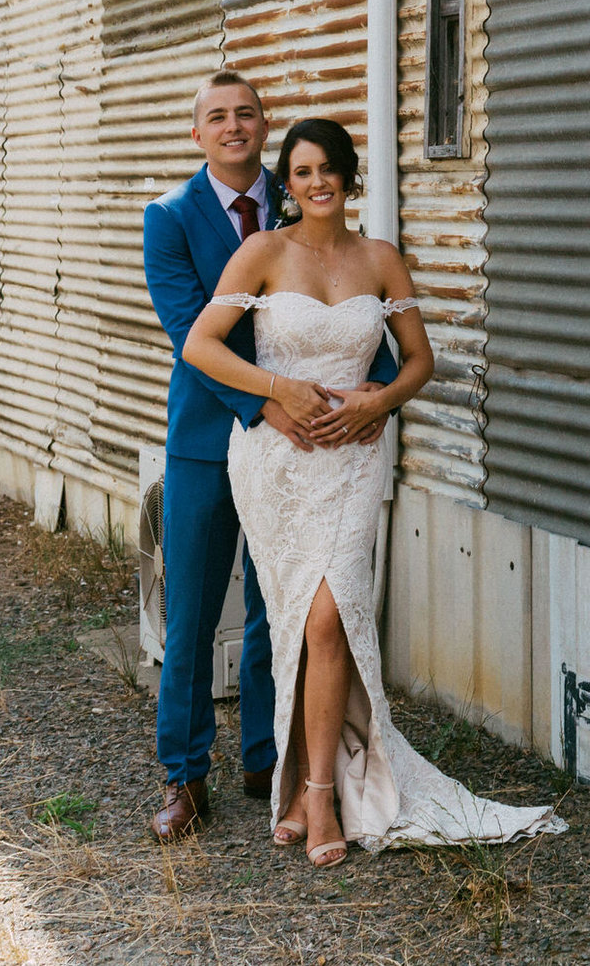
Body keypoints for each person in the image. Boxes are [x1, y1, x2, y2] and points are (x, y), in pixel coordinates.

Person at [181, 117, 565, 863]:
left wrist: (377, 401)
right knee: (295, 618)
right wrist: (278, 388)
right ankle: (296, 785)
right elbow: (200, 344)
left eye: (327, 168)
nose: (315, 181)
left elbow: (419, 360)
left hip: (354, 461)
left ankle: (321, 795)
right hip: (276, 462)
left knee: (330, 618)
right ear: (285, 183)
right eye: (299, 171)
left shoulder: (382, 259)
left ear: (349, 177)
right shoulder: (262, 251)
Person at [139, 71, 400, 842]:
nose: (233, 126)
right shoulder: (170, 219)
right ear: (198, 133)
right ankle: (184, 775)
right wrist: (269, 404)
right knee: (189, 613)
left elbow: (361, 323)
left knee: (274, 607)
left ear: (264, 125)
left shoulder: (300, 209)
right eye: (216, 116)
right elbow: (192, 334)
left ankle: (268, 755)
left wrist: (377, 395)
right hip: (209, 445)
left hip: (312, 450)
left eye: (245, 113)